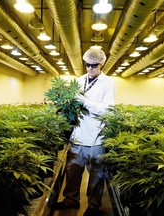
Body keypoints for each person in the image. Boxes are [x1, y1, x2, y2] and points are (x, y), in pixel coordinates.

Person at [54, 47, 116, 216]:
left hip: (96, 139)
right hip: (77, 137)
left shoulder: (108, 83)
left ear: (101, 64)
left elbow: (108, 111)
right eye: (87, 64)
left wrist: (85, 102)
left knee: (96, 177)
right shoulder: (80, 80)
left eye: (94, 65)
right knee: (72, 172)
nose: (90, 68)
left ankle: (93, 207)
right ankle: (71, 200)